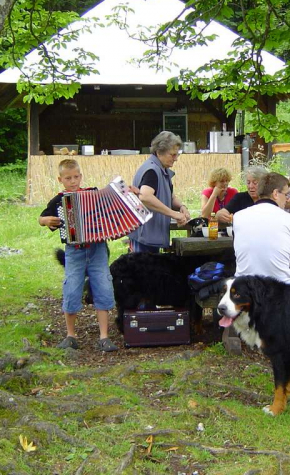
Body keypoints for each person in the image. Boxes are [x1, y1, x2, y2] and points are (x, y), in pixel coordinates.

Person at [38, 159, 118, 352]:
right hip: (74, 251)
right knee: (72, 288)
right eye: (68, 178)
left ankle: (104, 337)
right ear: (60, 179)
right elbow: (42, 218)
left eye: (76, 177)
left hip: (98, 249)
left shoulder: (93, 194)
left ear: (81, 176)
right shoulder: (59, 200)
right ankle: (70, 335)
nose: (73, 181)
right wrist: (45, 221)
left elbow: (112, 205)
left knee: (103, 287)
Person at [128, 131, 190, 253]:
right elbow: (145, 197)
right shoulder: (152, 170)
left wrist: (181, 207)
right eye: (172, 155)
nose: (176, 159)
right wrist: (173, 214)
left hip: (151, 236)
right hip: (145, 237)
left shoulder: (161, 170)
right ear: (159, 152)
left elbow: (168, 196)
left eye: (177, 154)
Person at [233, 172, 290, 284]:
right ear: (275, 194)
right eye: (286, 194)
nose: (287, 199)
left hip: (244, 286)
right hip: (280, 287)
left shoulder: (237, 217)